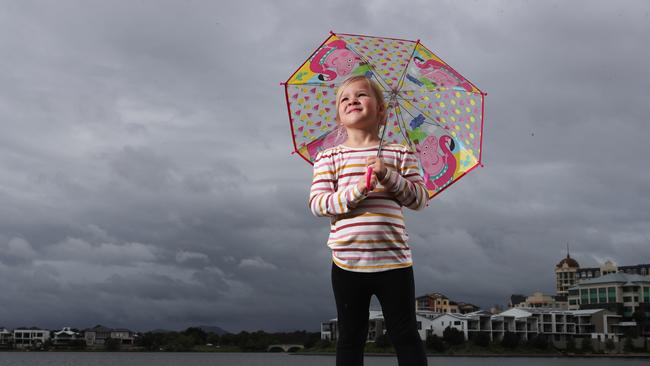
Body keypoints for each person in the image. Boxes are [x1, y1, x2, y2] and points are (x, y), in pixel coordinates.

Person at [309, 75, 429, 366]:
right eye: (344, 99)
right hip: (347, 262)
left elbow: (419, 199)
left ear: (382, 111)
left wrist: (388, 176)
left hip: (394, 261)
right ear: (339, 116)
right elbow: (318, 204)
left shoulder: (399, 153)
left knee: (405, 334)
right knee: (351, 336)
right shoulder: (329, 158)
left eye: (362, 95)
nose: (352, 100)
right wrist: (358, 190)